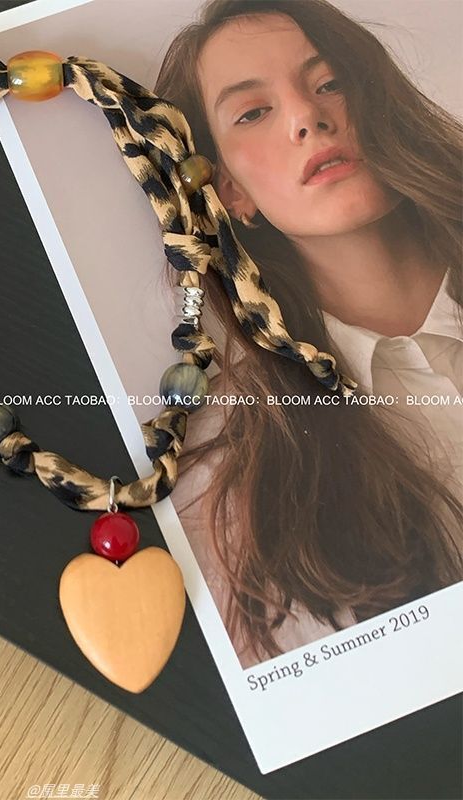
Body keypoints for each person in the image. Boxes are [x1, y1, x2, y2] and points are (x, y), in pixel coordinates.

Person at [156, 0, 463, 667]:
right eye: (253, 112)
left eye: (330, 82)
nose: (306, 117)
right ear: (231, 191)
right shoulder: (248, 473)